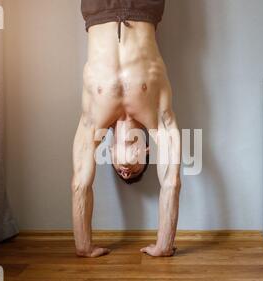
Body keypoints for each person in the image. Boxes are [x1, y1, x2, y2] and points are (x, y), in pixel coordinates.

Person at [72, 0, 181, 258]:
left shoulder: (93, 120)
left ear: (109, 151)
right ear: (145, 151)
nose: (125, 171)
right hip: (144, 7)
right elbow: (171, 182)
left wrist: (84, 246)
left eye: (121, 174)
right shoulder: (156, 118)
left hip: (98, 10)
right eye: (134, 171)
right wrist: (164, 244)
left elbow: (80, 184)